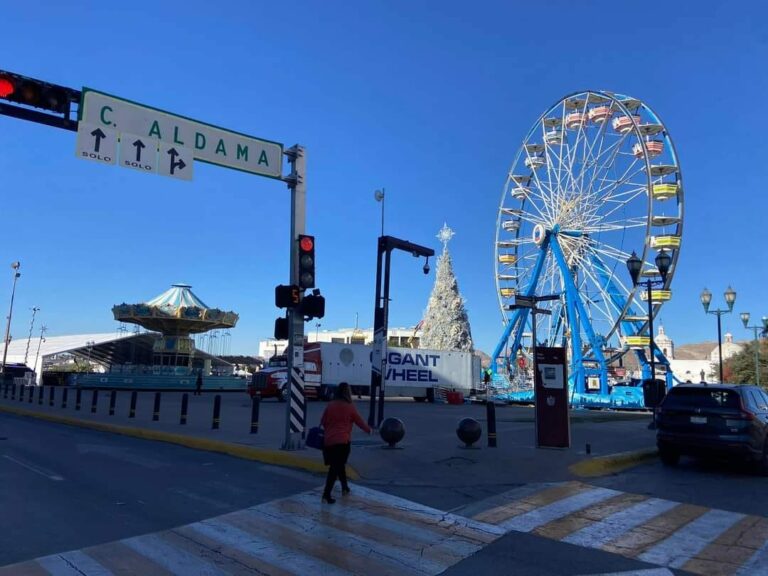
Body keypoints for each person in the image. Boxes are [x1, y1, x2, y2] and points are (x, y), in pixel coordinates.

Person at [320, 382, 371, 504]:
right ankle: (326, 494)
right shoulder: (349, 407)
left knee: (339, 465)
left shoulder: (330, 405)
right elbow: (359, 421)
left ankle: (345, 487)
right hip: (343, 442)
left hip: (329, 441)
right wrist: (369, 430)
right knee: (335, 468)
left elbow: (323, 421)